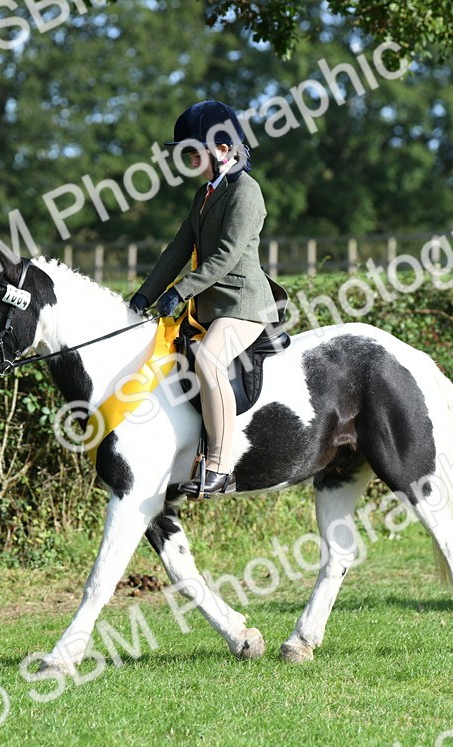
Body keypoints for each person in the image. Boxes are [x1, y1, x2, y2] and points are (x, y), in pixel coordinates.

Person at [128, 99, 279, 499]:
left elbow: (225, 256)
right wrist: (145, 294)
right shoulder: (205, 194)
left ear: (224, 149)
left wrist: (179, 291)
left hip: (243, 306)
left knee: (209, 359)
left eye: (192, 153)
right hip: (208, 308)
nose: (187, 160)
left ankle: (220, 465)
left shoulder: (247, 193)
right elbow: (177, 250)